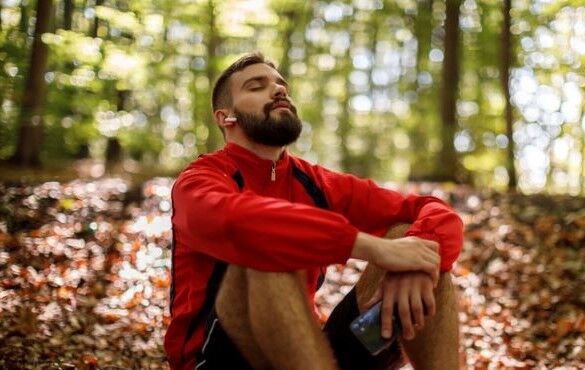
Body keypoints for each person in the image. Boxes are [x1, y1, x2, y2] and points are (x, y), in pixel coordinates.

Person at [165, 52, 464, 370]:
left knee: (417, 244)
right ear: (225, 118)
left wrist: (415, 263)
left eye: (281, 84)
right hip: (220, 361)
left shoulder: (315, 182)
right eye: (257, 86)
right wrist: (374, 248)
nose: (279, 90)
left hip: (310, 357)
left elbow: (430, 210)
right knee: (267, 249)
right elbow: (238, 222)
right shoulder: (200, 180)